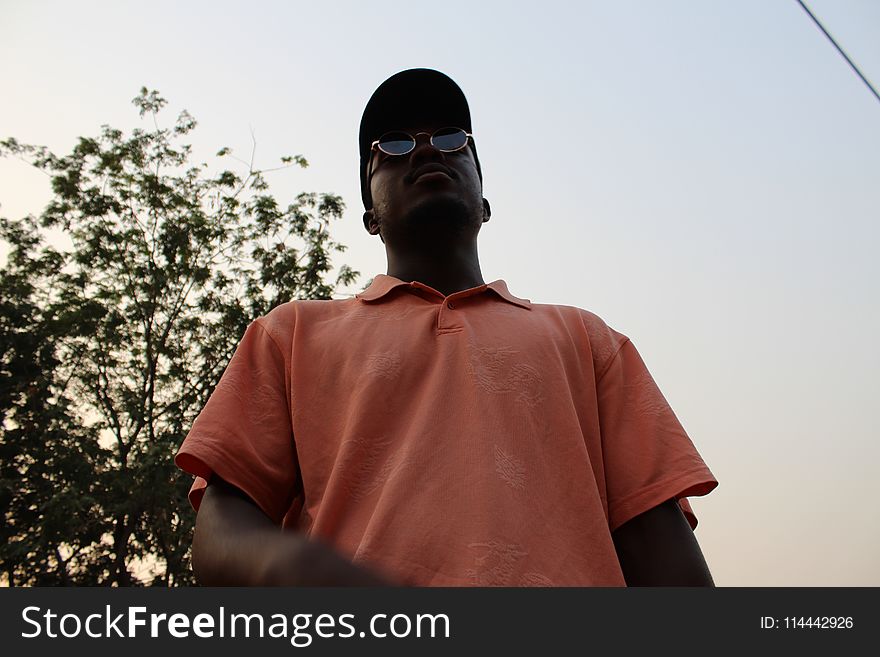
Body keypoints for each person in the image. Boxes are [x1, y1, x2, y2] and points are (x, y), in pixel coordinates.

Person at [175, 68, 718, 586]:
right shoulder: (290, 336)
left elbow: (666, 560)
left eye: (452, 137)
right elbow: (222, 530)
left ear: (483, 201)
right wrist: (295, 570)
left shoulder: (588, 341)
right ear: (370, 215)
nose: (428, 147)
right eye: (393, 145)